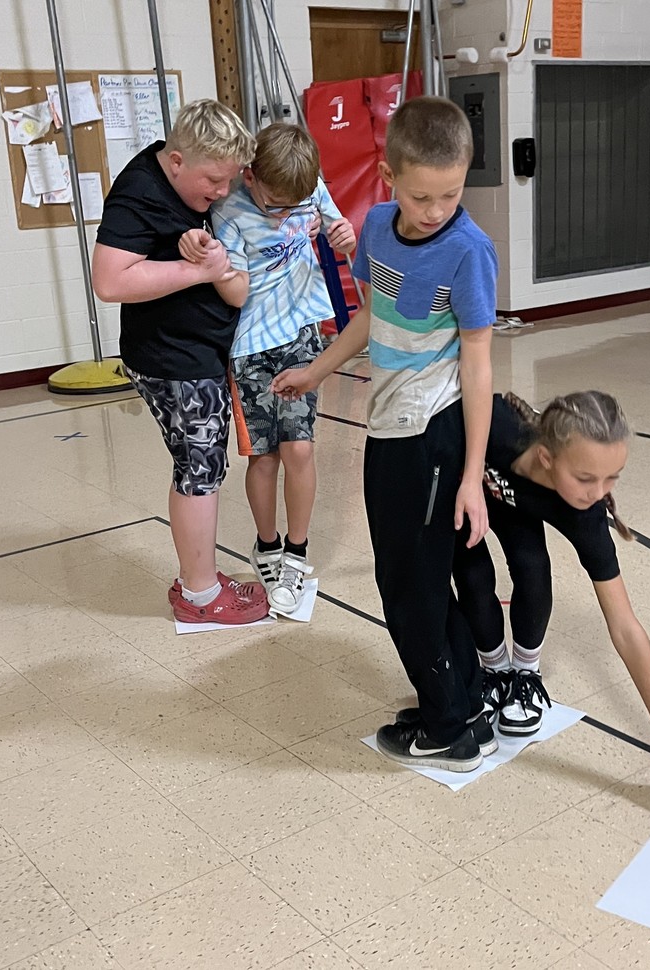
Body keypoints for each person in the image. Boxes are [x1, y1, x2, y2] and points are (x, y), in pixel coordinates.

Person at [271, 96, 497, 772]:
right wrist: (316, 371)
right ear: (387, 174)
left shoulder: (468, 250)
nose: (436, 210)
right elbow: (372, 317)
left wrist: (472, 475)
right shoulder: (373, 227)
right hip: (388, 424)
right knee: (420, 575)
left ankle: (449, 727)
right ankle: (461, 698)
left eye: (451, 194)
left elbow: (480, 364)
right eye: (422, 195)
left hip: (432, 430)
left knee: (409, 584)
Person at [452, 390, 650, 815]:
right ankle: (494, 671)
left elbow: (626, 628)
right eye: (586, 477)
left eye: (613, 477)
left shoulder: (585, 513)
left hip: (521, 503)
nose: (599, 492)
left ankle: (524, 674)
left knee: (531, 564)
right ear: (546, 457)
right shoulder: (498, 426)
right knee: (470, 568)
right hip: (476, 490)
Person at [92, 99, 268, 625]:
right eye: (212, 180)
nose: (221, 192)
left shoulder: (196, 182)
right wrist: (198, 273)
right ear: (175, 162)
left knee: (202, 463)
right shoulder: (139, 192)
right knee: (200, 466)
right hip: (171, 356)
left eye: (229, 179)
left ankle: (200, 578)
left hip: (200, 349)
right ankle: (199, 595)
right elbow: (110, 281)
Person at [178, 123, 356, 615]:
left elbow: (341, 234)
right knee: (266, 456)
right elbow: (235, 293)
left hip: (302, 334)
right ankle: (268, 545)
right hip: (252, 346)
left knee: (300, 447)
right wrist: (217, 265)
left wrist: (342, 234)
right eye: (274, 204)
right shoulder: (229, 209)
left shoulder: (305, 185)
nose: (283, 215)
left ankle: (297, 554)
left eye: (291, 206)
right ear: (251, 175)